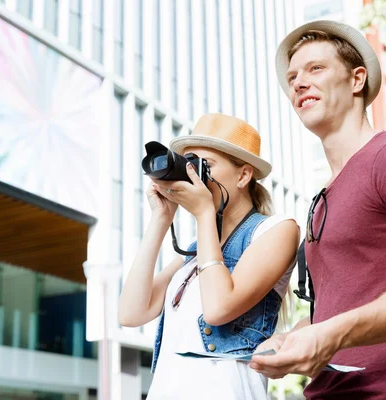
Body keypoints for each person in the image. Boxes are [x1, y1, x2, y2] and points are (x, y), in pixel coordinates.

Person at [249, 20, 386, 399]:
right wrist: (297, 338)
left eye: (315, 69)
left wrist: (330, 333)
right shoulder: (323, 197)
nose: (298, 83)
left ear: (357, 80)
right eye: (292, 76)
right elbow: (346, 310)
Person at [118, 113, 299, 399]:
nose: (193, 175)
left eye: (205, 166)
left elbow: (217, 309)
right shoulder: (194, 251)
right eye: (188, 165)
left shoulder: (276, 230)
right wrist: (161, 219)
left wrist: (203, 213)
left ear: (243, 175)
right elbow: (130, 313)